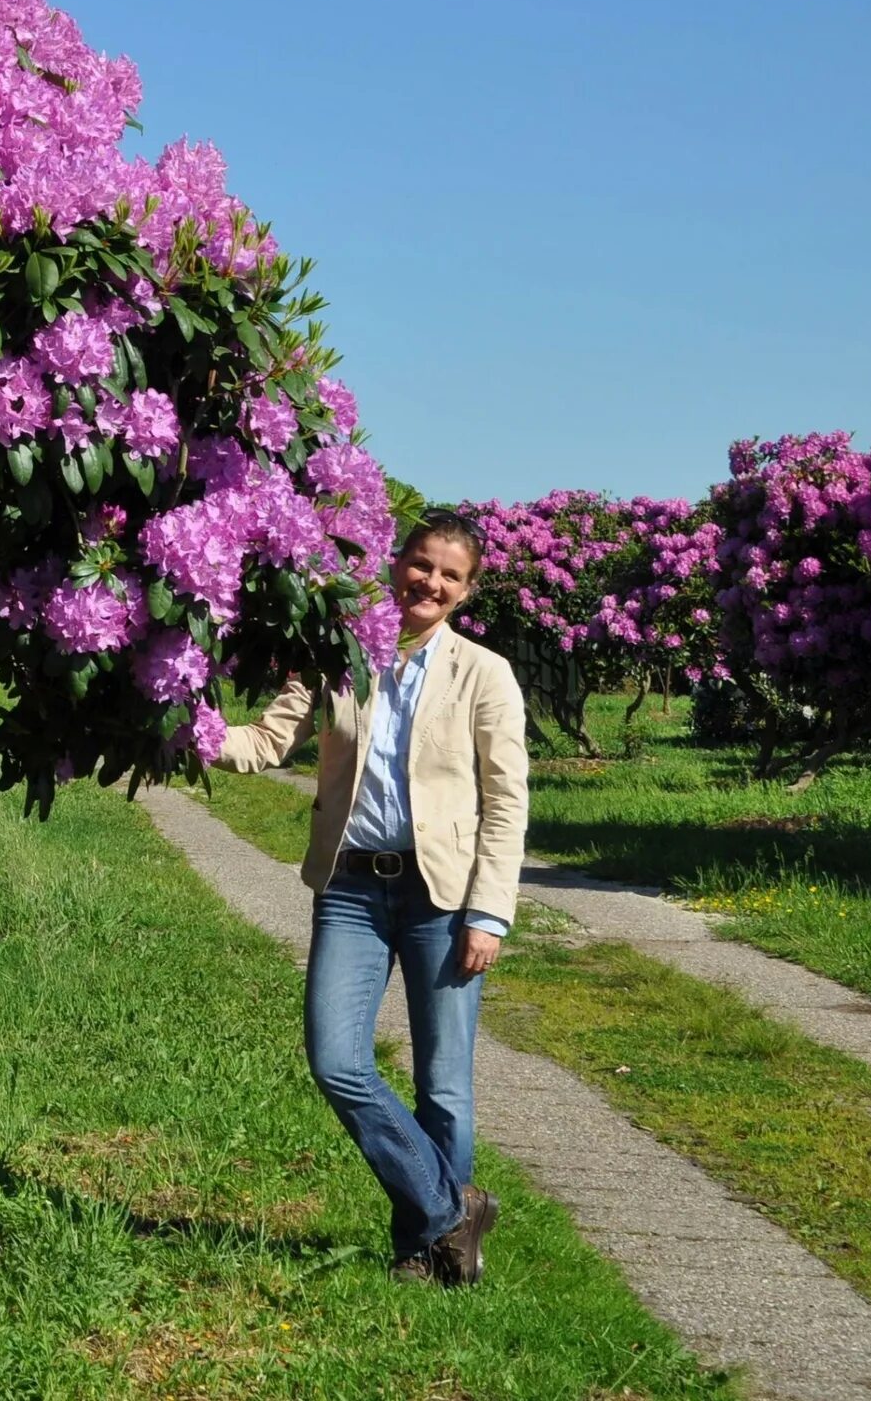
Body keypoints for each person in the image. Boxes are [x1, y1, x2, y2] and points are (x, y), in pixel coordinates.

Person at [221, 507, 528, 1285]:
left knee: (444, 1086)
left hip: (444, 896)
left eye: (449, 574)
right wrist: (179, 726)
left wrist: (489, 912)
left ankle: (422, 1252)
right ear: (396, 564)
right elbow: (264, 741)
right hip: (352, 886)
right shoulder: (337, 657)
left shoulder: (481, 673)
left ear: (465, 591)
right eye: (421, 563)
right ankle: (453, 1212)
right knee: (335, 1060)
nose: (430, 581)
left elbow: (506, 797)